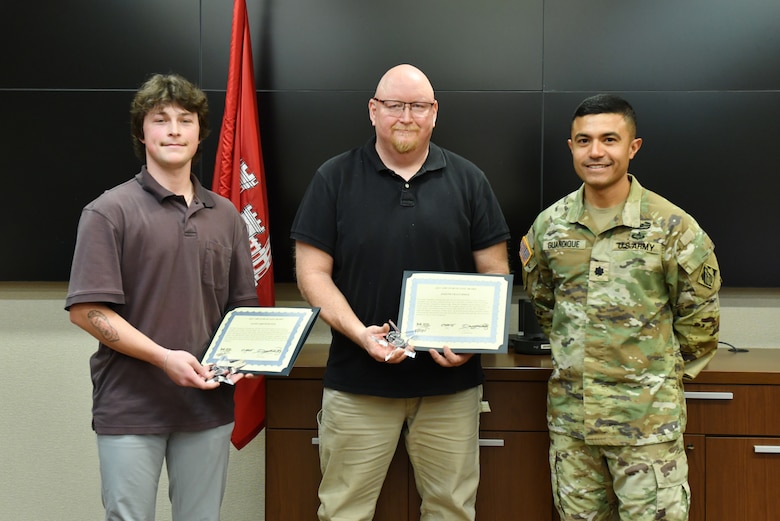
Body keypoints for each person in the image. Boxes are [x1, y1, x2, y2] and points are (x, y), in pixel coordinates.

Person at [290, 63, 511, 521]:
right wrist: (360, 334)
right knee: (342, 512)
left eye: (417, 106)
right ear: (373, 110)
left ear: (434, 113)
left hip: (450, 387)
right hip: (357, 385)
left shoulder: (470, 181)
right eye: (394, 105)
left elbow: (495, 273)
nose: (405, 116)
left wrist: (473, 343)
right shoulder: (333, 178)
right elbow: (312, 274)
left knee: (452, 511)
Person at [65, 73, 258, 521]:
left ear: (199, 133)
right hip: (131, 406)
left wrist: (249, 355)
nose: (174, 129)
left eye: (185, 120)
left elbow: (242, 310)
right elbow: (87, 310)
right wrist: (165, 358)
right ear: (142, 132)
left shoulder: (226, 215)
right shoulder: (108, 211)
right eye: (160, 119)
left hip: (207, 406)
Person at [520, 94, 721, 521]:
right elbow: (544, 307)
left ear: (633, 147)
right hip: (573, 426)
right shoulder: (549, 227)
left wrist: (652, 380)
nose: (596, 152)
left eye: (609, 139)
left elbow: (700, 320)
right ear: (570, 147)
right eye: (584, 140)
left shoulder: (672, 227)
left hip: (647, 427)